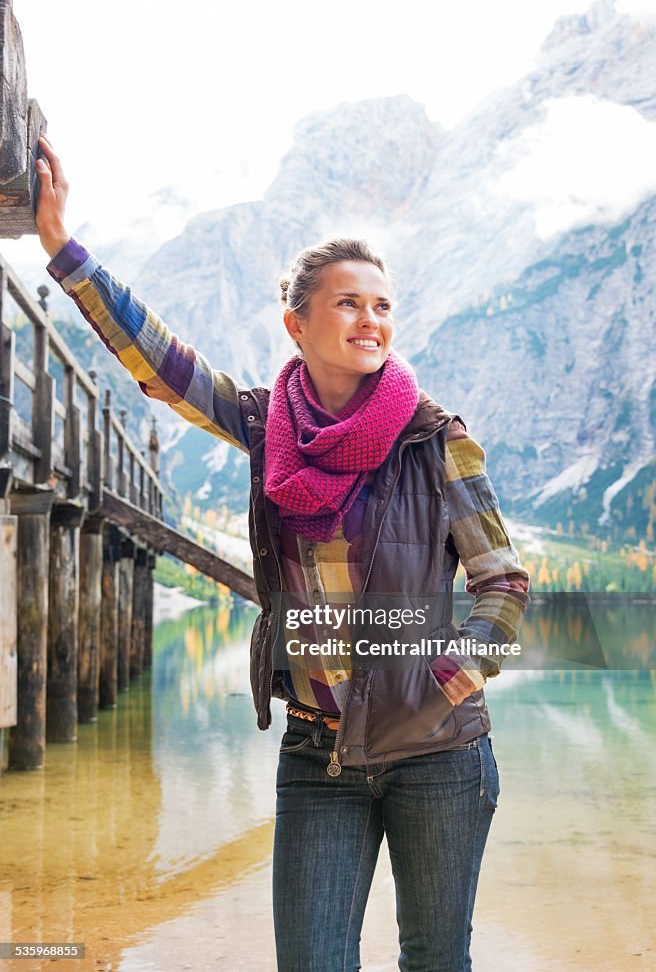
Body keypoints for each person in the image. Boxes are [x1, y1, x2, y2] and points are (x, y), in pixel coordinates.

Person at [35, 135, 530, 972]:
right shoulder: (266, 426)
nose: (370, 319)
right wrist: (62, 249)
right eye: (347, 303)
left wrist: (451, 674)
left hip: (437, 754)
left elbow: (502, 582)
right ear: (297, 323)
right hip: (316, 747)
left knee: (434, 959)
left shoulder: (435, 440)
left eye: (381, 305)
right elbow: (161, 364)